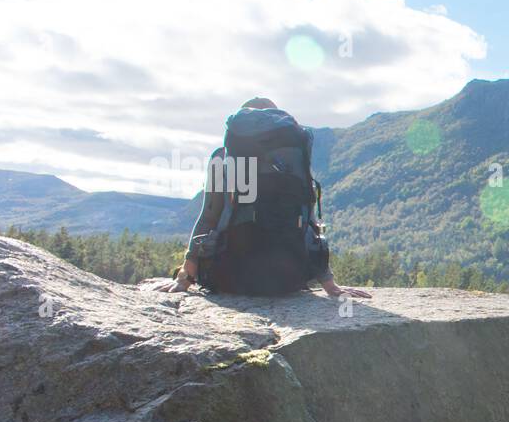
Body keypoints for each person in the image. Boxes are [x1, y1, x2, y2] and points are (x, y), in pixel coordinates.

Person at [154, 97, 370, 298]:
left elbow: (209, 216)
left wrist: (185, 277)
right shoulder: (294, 157)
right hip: (288, 280)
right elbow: (309, 223)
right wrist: (330, 285)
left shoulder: (222, 157)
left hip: (230, 277)